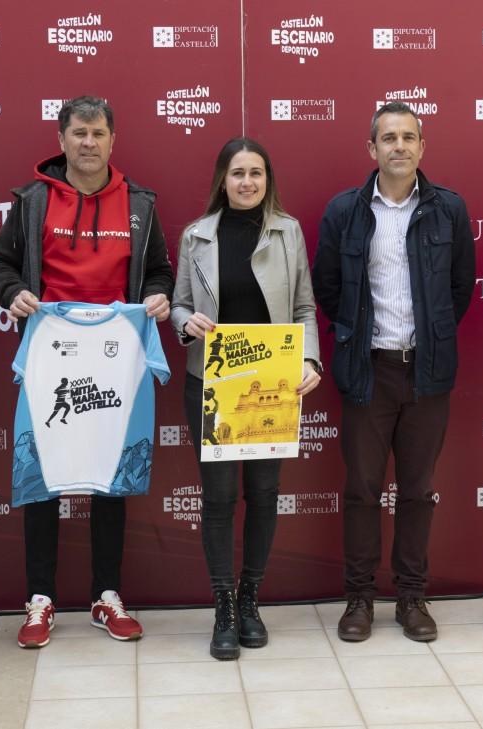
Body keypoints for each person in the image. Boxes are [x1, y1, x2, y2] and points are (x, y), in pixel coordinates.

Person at [0, 95, 173, 649]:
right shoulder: (32, 201)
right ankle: (40, 598)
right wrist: (14, 293)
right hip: (50, 355)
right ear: (61, 139)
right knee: (42, 474)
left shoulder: (139, 203)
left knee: (111, 475)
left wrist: (157, 296)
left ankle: (105, 595)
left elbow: (159, 270)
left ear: (113, 140)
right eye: (78, 133)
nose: (88, 142)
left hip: (117, 358)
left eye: (98, 133)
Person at [312, 102, 475, 643]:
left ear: (422, 147)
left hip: (427, 372)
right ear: (372, 148)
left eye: (408, 137)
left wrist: (431, 337)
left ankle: (411, 597)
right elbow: (328, 287)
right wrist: (357, 337)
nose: (399, 146)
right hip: (368, 369)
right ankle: (359, 597)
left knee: (417, 490)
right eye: (388, 137)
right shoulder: (346, 211)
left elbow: (459, 289)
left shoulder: (449, 209)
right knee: (362, 489)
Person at [171, 137, 322, 660]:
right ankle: (223, 607)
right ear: (223, 179)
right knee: (217, 499)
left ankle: (250, 600)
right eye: (238, 173)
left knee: (263, 493)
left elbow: (304, 307)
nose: (247, 182)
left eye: (256, 173)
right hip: (212, 383)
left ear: (267, 179)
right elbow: (178, 305)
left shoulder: (287, 232)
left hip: (272, 382)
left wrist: (310, 360)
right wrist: (185, 322)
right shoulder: (196, 235)